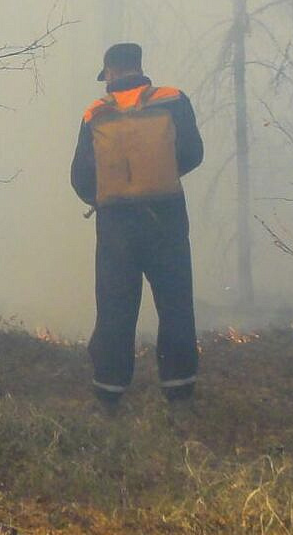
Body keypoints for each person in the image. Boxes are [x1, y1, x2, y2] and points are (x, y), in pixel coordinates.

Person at [69, 42, 204, 413]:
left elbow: (80, 178)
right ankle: (179, 393)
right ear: (139, 67)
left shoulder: (95, 113)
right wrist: (158, 177)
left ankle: (109, 395)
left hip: (116, 228)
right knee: (175, 305)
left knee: (115, 309)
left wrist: (105, 196)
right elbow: (193, 153)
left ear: (110, 73)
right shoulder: (173, 99)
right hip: (166, 219)